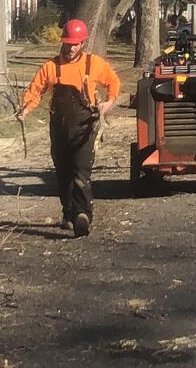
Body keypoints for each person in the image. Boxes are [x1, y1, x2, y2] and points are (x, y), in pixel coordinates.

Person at [18, 19, 121, 236]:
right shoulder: (50, 67)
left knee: (80, 171)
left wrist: (108, 103)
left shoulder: (94, 64)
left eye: (75, 44)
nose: (71, 48)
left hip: (85, 125)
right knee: (63, 172)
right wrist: (25, 109)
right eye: (68, 43)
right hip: (59, 126)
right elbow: (35, 90)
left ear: (82, 43)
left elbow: (114, 82)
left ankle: (83, 215)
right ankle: (68, 212)